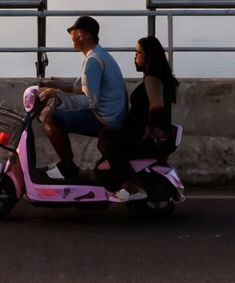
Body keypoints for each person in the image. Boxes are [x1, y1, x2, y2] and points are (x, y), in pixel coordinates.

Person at [36, 15, 127, 181]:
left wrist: (60, 101)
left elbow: (91, 102)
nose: (73, 36)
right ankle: (64, 166)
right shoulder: (100, 54)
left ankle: (66, 168)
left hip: (105, 119)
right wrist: (54, 87)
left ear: (87, 35)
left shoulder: (93, 60)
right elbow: (80, 86)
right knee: (57, 114)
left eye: (76, 33)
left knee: (51, 118)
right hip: (114, 115)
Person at [98, 35, 178, 201]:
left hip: (151, 137)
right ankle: (121, 178)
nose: (135, 56)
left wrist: (148, 126)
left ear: (149, 55)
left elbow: (157, 104)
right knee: (105, 135)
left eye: (138, 52)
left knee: (113, 146)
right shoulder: (157, 77)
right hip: (151, 134)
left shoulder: (152, 78)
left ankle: (133, 185)